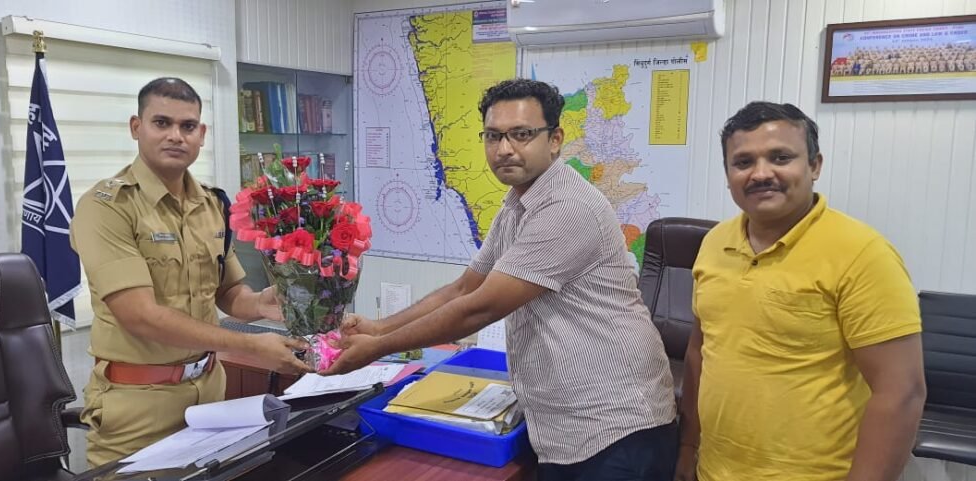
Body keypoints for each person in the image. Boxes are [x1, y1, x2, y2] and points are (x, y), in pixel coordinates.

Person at [323, 78, 678, 480]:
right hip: (566, 427)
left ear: (555, 139)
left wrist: (376, 348)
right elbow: (466, 287)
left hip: (616, 428)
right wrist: (377, 326)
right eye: (493, 136)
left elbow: (480, 307)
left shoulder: (567, 207)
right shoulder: (518, 203)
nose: (504, 149)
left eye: (522, 134)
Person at [675, 102, 926, 481]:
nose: (761, 173)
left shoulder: (862, 253)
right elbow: (700, 350)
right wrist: (689, 447)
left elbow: (901, 393)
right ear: (727, 175)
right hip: (715, 471)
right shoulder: (714, 243)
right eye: (743, 162)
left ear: (814, 166)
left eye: (780, 157)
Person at [70, 77, 312, 467]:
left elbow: (229, 293)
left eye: (187, 127)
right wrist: (252, 345)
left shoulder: (211, 203)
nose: (175, 136)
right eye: (161, 123)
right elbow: (140, 317)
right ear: (137, 127)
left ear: (201, 134)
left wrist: (264, 305)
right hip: (139, 404)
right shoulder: (107, 206)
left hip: (210, 397)